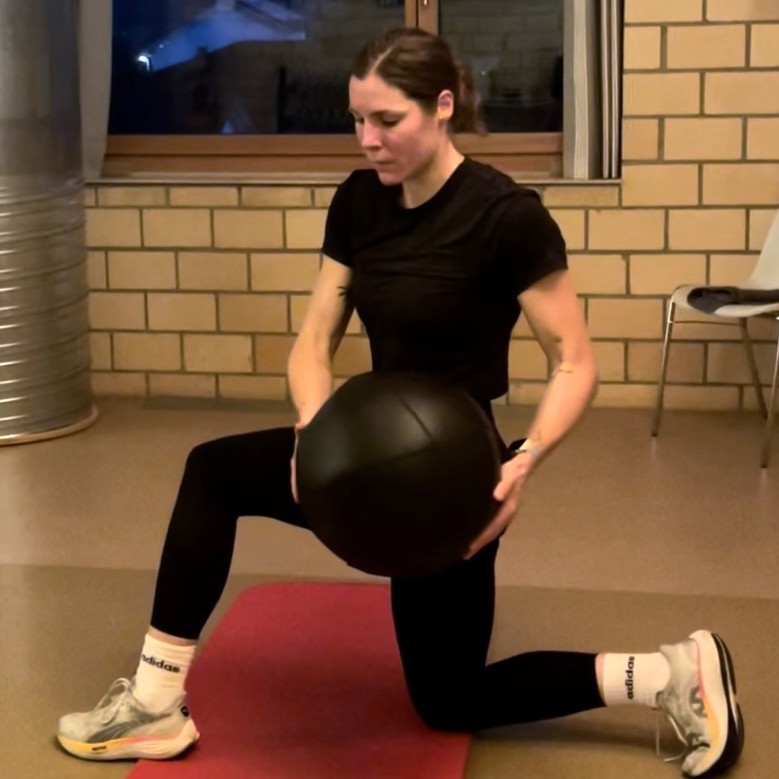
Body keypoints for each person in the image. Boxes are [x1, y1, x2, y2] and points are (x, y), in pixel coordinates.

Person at [57, 27, 743, 778]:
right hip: (358, 445)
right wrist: (312, 437)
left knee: (448, 698)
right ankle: (155, 700)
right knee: (213, 471)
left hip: (449, 474)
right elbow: (314, 339)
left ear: (441, 106)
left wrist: (524, 463)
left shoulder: (504, 217)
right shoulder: (358, 202)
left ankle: (670, 672)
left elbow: (574, 363)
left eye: (387, 121)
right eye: (357, 120)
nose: (367, 140)